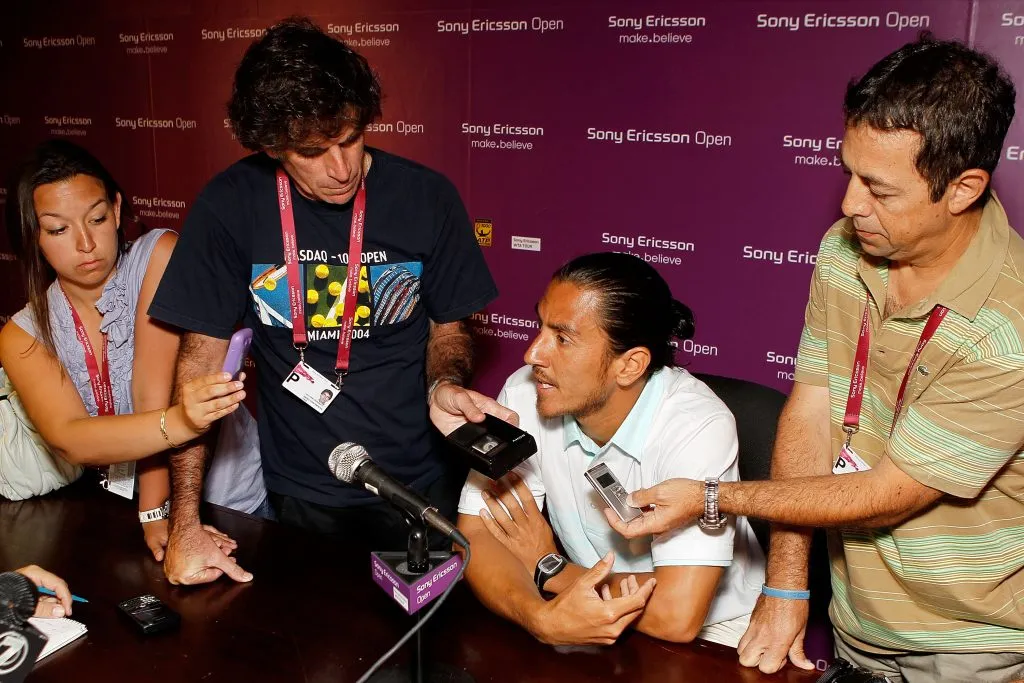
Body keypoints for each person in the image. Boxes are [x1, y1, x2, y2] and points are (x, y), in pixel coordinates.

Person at [605, 36, 1023, 682]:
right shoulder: (845, 250)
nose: (850, 204)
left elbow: (885, 495)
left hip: (970, 649)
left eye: (879, 190)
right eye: (849, 171)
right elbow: (813, 407)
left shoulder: (1007, 328)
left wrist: (713, 497)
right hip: (856, 625)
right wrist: (787, 582)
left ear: (963, 188)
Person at [148, 17, 510, 586]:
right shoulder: (230, 205)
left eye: (350, 138)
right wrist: (184, 520)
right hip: (301, 494)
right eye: (312, 151)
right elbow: (199, 369)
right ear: (271, 146)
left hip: (419, 485)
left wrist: (443, 384)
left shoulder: (428, 197)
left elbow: (450, 328)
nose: (341, 169)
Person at [453, 253, 765, 647]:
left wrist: (550, 568)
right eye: (540, 327)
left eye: (562, 339)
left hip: (714, 640)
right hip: (582, 614)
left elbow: (675, 613)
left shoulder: (696, 425)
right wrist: (539, 617)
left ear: (630, 365)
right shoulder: (524, 393)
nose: (532, 353)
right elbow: (476, 535)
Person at [0, 140, 265, 563]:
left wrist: (159, 512)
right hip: (129, 513)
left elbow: (151, 394)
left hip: (228, 502)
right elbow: (71, 438)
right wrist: (153, 513)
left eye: (98, 218)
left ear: (118, 211)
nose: (86, 243)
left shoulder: (157, 254)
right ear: (34, 237)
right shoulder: (22, 334)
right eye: (58, 229)